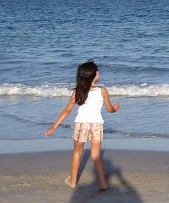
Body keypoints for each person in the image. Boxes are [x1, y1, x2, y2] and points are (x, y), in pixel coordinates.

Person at [45, 60, 120, 190]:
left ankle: (73, 181)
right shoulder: (102, 91)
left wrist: (54, 126)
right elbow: (109, 109)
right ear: (93, 75)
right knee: (96, 155)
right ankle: (102, 183)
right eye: (97, 71)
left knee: (77, 153)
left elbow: (67, 110)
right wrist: (116, 108)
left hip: (81, 124)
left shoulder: (77, 91)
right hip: (96, 125)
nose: (99, 72)